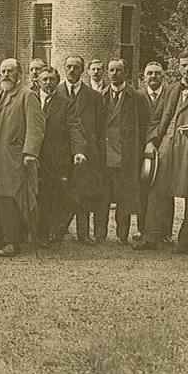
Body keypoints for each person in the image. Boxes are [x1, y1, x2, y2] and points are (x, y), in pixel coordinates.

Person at [134, 53, 188, 254]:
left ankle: (184, 241)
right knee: (156, 190)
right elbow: (156, 118)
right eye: (183, 65)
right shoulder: (170, 89)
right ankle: (151, 237)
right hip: (166, 145)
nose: (187, 70)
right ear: (178, 67)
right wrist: (151, 141)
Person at [0, 58, 45, 257]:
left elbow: (36, 127)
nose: (6, 75)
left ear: (19, 74)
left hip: (12, 157)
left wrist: (30, 153)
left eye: (10, 71)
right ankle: (0, 237)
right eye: (3, 71)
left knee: (10, 199)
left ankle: (13, 242)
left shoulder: (27, 95)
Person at [100, 58, 152, 244]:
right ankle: (100, 234)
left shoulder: (137, 97)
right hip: (105, 154)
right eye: (112, 70)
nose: (115, 74)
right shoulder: (101, 96)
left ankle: (122, 235)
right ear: (108, 73)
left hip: (127, 155)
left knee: (124, 196)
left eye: (119, 71)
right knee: (103, 195)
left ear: (126, 73)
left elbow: (147, 124)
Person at [58, 55, 106, 244]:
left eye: (76, 67)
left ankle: (83, 233)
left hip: (86, 152)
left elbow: (99, 127)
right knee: (62, 191)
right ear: (64, 69)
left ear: (83, 70)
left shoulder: (94, 96)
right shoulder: (57, 91)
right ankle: (58, 230)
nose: (72, 70)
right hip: (61, 151)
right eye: (69, 66)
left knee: (83, 193)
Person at [35, 66, 86, 245]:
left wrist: (78, 151)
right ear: (38, 81)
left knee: (49, 196)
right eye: (45, 79)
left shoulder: (66, 103)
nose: (48, 83)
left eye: (52, 79)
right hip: (32, 155)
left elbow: (75, 127)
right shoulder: (30, 99)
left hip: (55, 158)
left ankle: (45, 235)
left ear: (57, 81)